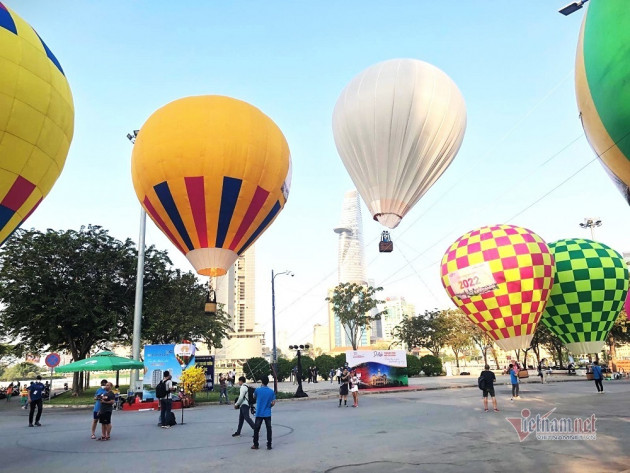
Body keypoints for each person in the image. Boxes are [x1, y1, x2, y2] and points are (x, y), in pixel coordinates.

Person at [251, 376, 276, 450]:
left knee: (256, 429)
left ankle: (256, 444)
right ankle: (269, 445)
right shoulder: (271, 391)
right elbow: (273, 402)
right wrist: (269, 406)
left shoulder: (257, 390)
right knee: (269, 429)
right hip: (267, 413)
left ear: (262, 382)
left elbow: (254, 397)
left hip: (259, 412)